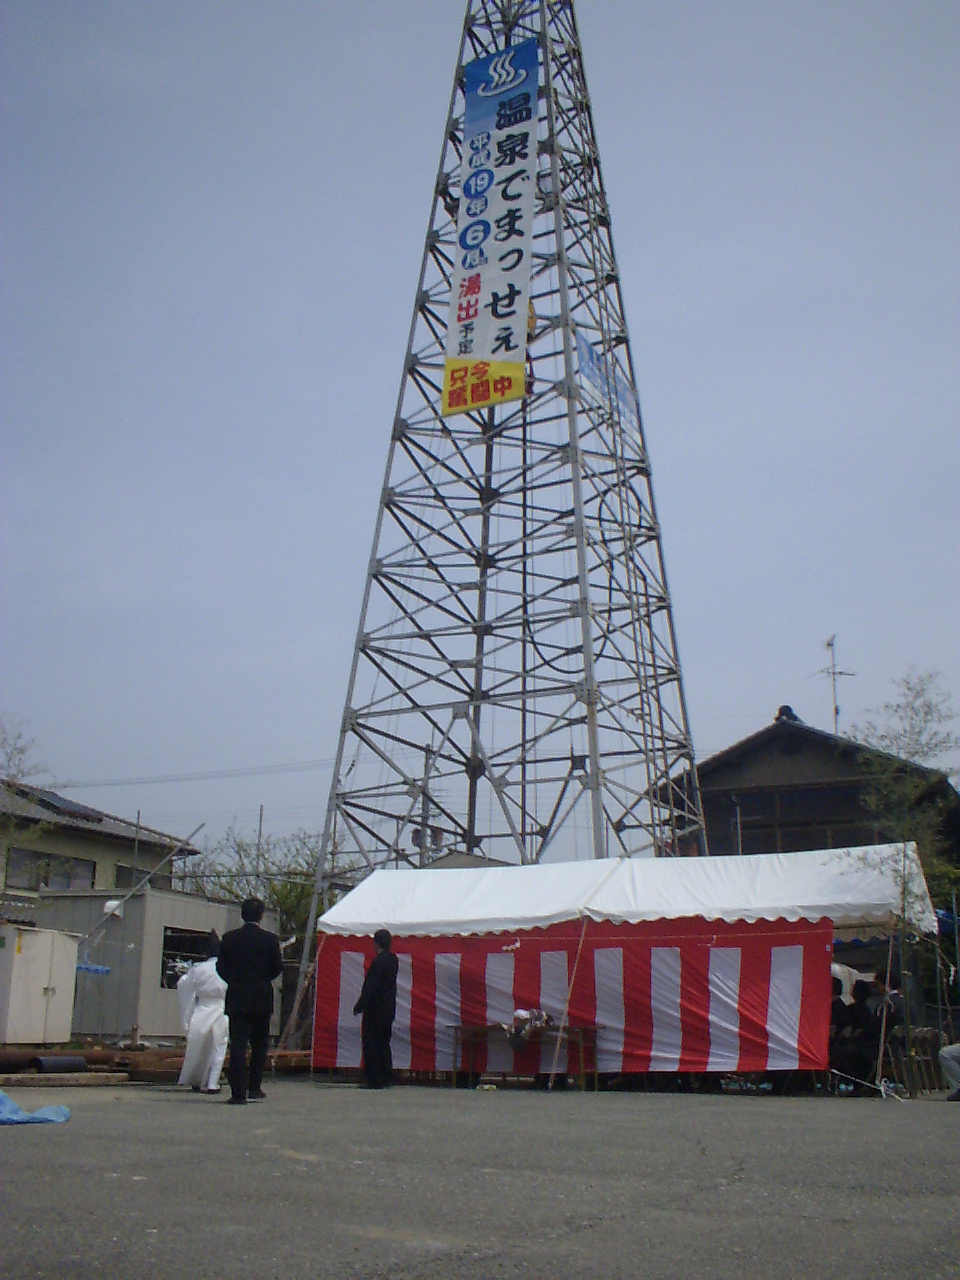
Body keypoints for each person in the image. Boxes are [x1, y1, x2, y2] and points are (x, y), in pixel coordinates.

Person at [216, 898, 283, 1106]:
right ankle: (254, 1086)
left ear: (242, 915)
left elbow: (221, 967)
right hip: (262, 996)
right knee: (260, 1044)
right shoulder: (270, 940)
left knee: (237, 1044)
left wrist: (234, 981)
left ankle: (238, 1092)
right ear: (261, 916)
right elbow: (277, 968)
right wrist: (262, 980)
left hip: (237, 996)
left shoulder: (229, 939)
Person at [177, 932, 228, 1094]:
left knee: (199, 1046)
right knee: (219, 1045)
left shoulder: (199, 969)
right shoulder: (227, 967)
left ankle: (197, 1079)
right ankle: (212, 1082)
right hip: (221, 1007)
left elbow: (184, 984)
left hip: (202, 1008)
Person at [353, 929, 399, 1088]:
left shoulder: (378, 962)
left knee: (371, 1043)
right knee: (384, 1043)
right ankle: (386, 1076)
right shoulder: (393, 961)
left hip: (375, 1009)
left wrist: (360, 1005)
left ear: (377, 942)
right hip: (388, 1008)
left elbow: (371, 987)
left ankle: (374, 1078)